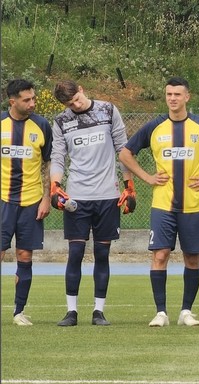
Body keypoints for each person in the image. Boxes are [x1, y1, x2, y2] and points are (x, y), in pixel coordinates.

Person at [119, 77, 199, 327]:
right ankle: (161, 312)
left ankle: (186, 311)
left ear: (187, 97)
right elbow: (125, 153)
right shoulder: (154, 127)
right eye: (169, 94)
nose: (172, 98)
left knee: (192, 258)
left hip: (194, 205)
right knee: (160, 255)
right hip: (163, 205)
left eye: (177, 94)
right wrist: (147, 178)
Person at [50, 80, 135, 327]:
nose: (75, 105)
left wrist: (129, 186)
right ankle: (71, 311)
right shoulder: (61, 121)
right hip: (76, 197)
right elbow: (57, 155)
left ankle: (99, 311)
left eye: (76, 99)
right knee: (75, 253)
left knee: (102, 253)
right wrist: (55, 185)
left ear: (82, 90)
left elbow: (123, 149)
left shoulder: (108, 110)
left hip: (107, 195)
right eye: (70, 104)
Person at [1, 79, 53, 326]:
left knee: (24, 255)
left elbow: (49, 164)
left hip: (32, 202)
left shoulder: (42, 125)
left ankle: (18, 312)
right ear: (13, 101)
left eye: (33, 98)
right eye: (27, 99)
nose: (32, 103)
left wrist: (47, 198)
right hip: (2, 201)